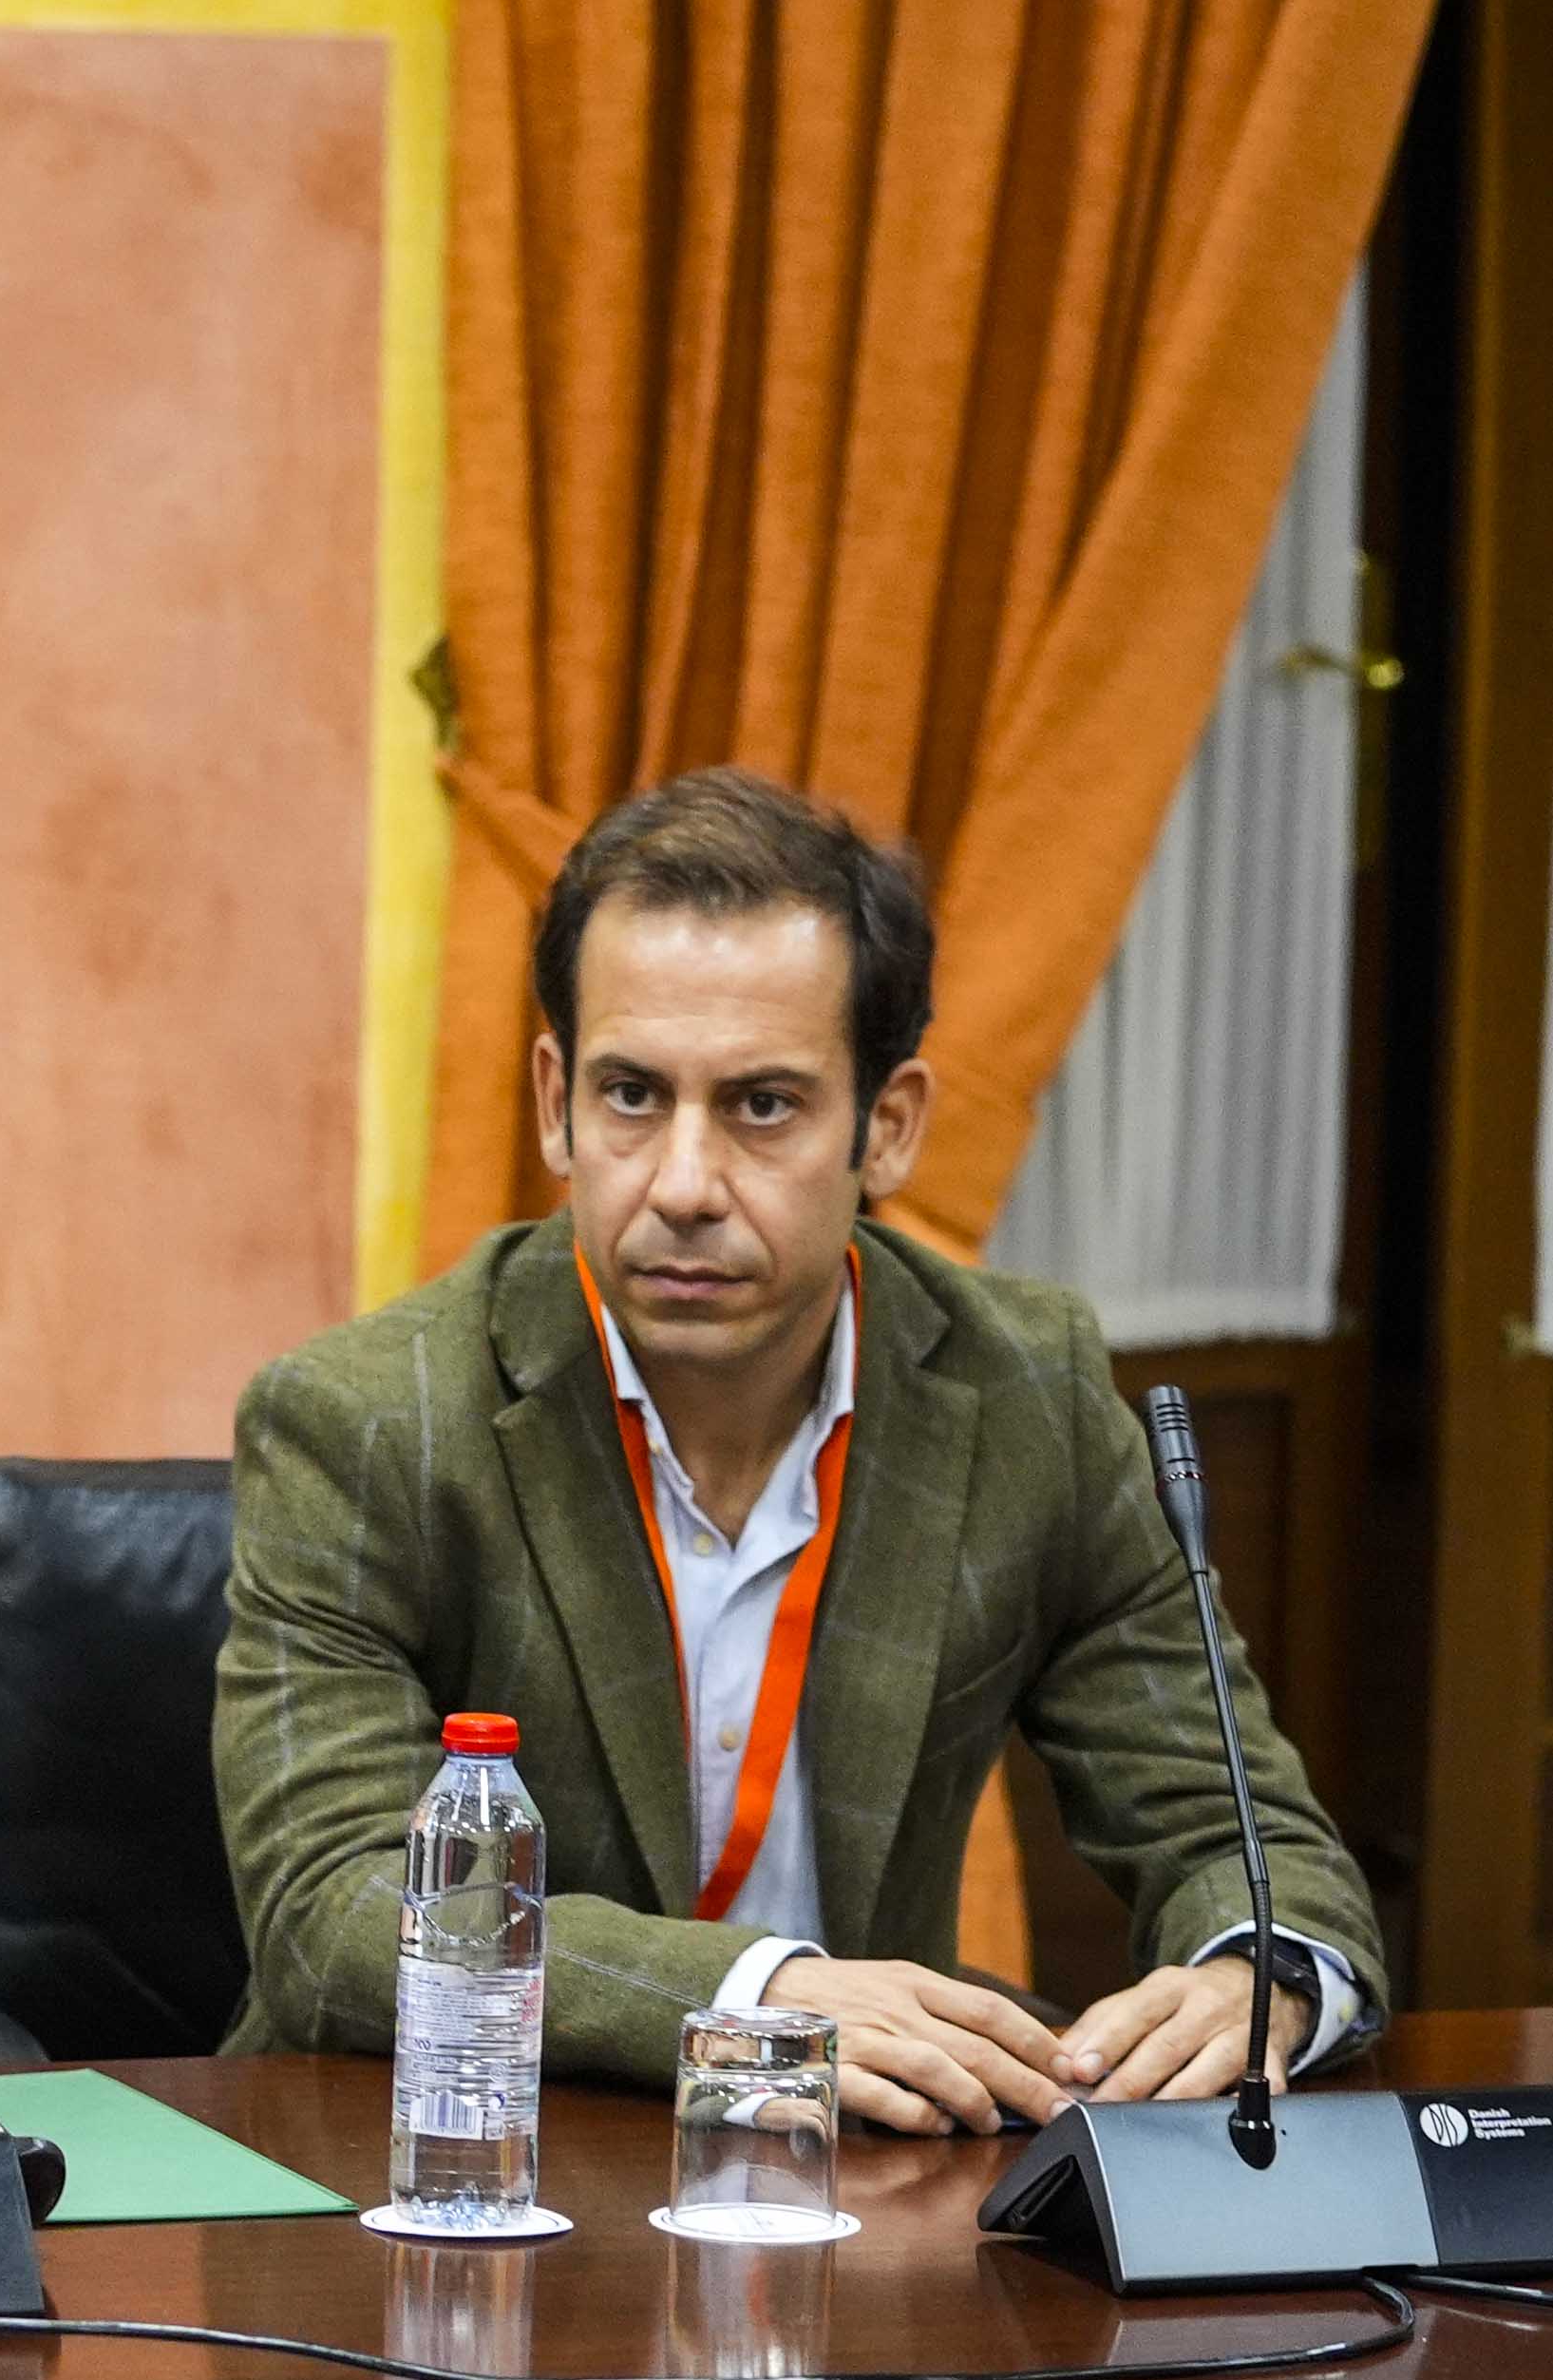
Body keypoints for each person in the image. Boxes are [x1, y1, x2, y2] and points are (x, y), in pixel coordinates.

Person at [217, 767, 1380, 2132]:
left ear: (884, 1128)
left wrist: (1258, 1969)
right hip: (457, 2172)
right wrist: (757, 1993)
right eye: (631, 1096)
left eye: (762, 1105)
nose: (684, 1183)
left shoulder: (1024, 1398)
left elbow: (1233, 1824)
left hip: (859, 2192)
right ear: (553, 1102)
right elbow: (330, 1908)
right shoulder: (362, 1419)